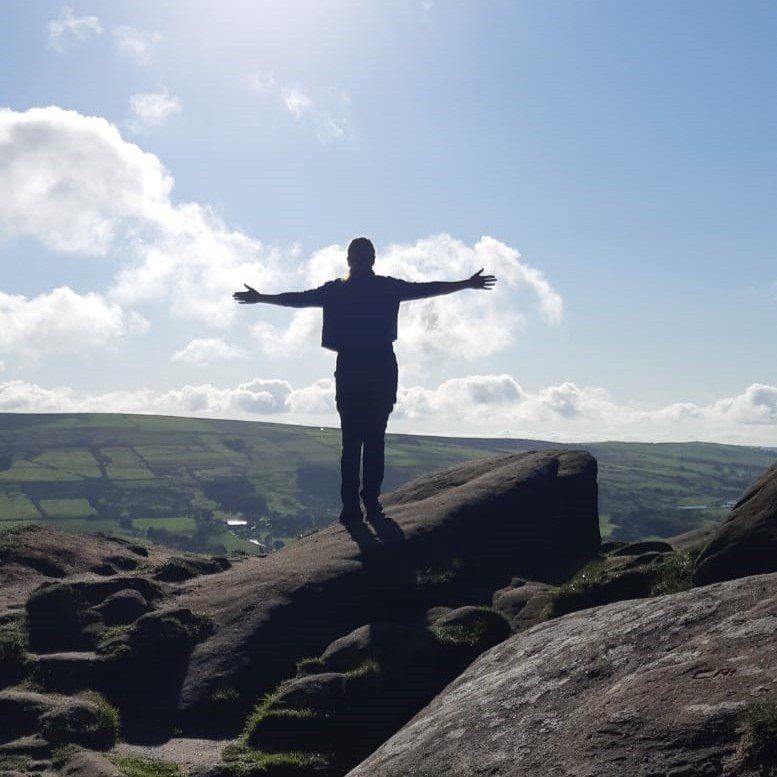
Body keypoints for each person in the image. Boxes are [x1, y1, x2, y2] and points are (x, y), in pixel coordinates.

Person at [233, 237, 496, 525]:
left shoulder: (336, 290)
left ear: (349, 259)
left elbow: (296, 299)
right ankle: (371, 503)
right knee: (375, 440)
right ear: (373, 259)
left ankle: (350, 509)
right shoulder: (386, 286)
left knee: (351, 442)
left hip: (350, 368)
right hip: (381, 368)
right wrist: (466, 283)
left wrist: (262, 298)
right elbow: (427, 289)